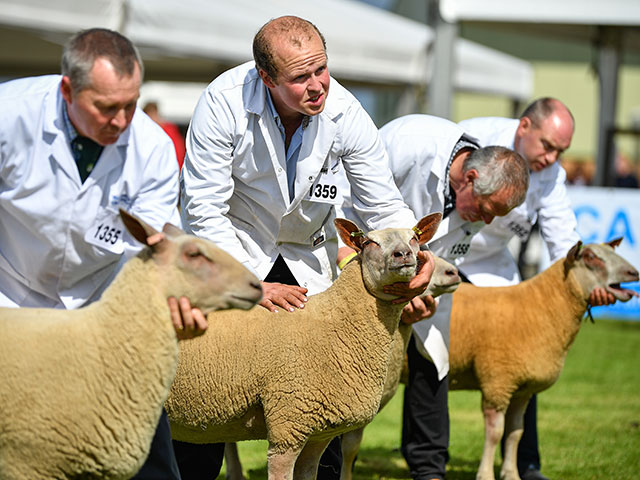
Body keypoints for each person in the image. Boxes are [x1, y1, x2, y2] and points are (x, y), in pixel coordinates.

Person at [177, 15, 435, 480]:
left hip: (306, 261)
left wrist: (413, 251)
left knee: (324, 405)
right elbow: (202, 208)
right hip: (231, 252)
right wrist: (251, 283)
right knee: (203, 407)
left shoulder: (346, 111)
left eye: (322, 69)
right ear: (266, 78)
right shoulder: (222, 103)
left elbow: (383, 204)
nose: (318, 86)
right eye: (300, 78)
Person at [0, 28, 208, 480]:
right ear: (68, 90)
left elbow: (151, 250)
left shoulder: (152, 149)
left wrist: (175, 302)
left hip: (96, 306)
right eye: (106, 107)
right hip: (8, 300)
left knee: (138, 447)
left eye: (131, 105)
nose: (120, 120)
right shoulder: (8, 116)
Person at [456, 97, 616, 480]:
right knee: (433, 356)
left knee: (526, 360)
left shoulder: (551, 175)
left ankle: (527, 465)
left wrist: (583, 279)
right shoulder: (474, 136)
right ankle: (425, 462)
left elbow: (563, 237)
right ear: (524, 126)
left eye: (561, 150)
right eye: (547, 145)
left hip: (492, 263)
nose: (552, 157)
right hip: (445, 252)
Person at [364, 114, 528, 480]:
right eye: (487, 211)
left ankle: (429, 467)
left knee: (434, 353)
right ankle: (332, 461)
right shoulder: (411, 143)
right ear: (470, 179)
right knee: (349, 364)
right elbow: (354, 201)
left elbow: (449, 255)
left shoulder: (475, 198)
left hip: (418, 274)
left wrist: (420, 294)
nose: (486, 222)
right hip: (361, 260)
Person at [143, 101, 187, 169]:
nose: (151, 119)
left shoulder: (169, 131)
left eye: (153, 115)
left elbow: (179, 152)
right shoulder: (143, 133)